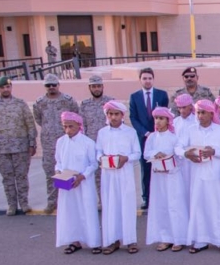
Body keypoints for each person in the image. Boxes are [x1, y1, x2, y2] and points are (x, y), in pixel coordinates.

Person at [174, 100, 220, 254]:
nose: (200, 116)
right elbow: (178, 147)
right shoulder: (191, 130)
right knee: (199, 206)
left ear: (211, 114)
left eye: (203, 112)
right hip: (197, 175)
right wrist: (186, 154)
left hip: (215, 175)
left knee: (216, 206)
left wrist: (214, 152)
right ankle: (200, 240)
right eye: (198, 112)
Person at [0, 77, 37, 216]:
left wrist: (32, 143)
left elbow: (30, 124)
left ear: (11, 87)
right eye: (2, 87)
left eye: (8, 87)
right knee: (7, 178)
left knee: (22, 177)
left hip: (21, 148)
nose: (6, 90)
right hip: (1, 150)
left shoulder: (20, 104)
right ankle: (12, 205)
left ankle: (24, 203)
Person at [97, 100, 141, 255]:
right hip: (108, 174)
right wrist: (101, 158)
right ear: (107, 115)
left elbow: (137, 153)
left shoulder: (130, 132)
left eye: (116, 114)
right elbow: (98, 151)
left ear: (122, 115)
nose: (113, 117)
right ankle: (111, 240)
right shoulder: (102, 133)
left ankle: (130, 240)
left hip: (124, 173)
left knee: (126, 206)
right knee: (110, 206)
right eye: (110, 114)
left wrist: (125, 158)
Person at [54, 111, 100, 254]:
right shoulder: (61, 142)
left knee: (87, 210)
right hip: (67, 183)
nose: (68, 130)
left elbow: (94, 164)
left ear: (79, 126)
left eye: (71, 126)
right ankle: (74, 241)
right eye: (65, 126)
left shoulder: (88, 143)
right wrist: (60, 172)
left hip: (84, 183)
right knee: (70, 212)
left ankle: (94, 242)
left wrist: (81, 176)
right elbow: (58, 162)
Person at [144, 107, 188, 253]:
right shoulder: (151, 138)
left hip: (172, 176)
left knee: (174, 206)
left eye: (161, 118)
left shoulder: (174, 137)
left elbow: (180, 157)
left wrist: (168, 159)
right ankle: (165, 237)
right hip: (158, 178)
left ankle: (178, 238)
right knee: (161, 205)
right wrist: (156, 154)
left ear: (168, 121)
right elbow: (146, 154)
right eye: (156, 118)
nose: (158, 121)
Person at [33, 73, 79, 214]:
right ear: (45, 87)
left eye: (54, 84)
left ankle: (70, 203)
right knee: (50, 173)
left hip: (67, 141)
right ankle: (52, 202)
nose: (51, 87)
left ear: (58, 85)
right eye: (48, 85)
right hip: (48, 144)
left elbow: (76, 117)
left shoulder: (68, 100)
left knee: (69, 171)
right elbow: (39, 119)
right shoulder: (39, 102)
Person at [128, 67, 169, 209]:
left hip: (160, 136)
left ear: (153, 79)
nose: (147, 81)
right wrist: (145, 133)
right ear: (140, 80)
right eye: (144, 78)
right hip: (144, 137)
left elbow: (165, 115)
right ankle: (147, 198)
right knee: (146, 168)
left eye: (149, 78)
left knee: (162, 164)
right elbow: (133, 118)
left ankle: (162, 196)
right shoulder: (134, 97)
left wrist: (158, 131)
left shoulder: (161, 95)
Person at [79, 75, 112, 204]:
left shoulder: (110, 102)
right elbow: (82, 126)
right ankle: (100, 200)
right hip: (91, 144)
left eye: (98, 86)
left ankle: (109, 199)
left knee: (108, 173)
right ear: (89, 88)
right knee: (95, 174)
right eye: (94, 86)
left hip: (108, 144)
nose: (96, 89)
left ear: (103, 87)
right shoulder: (85, 105)